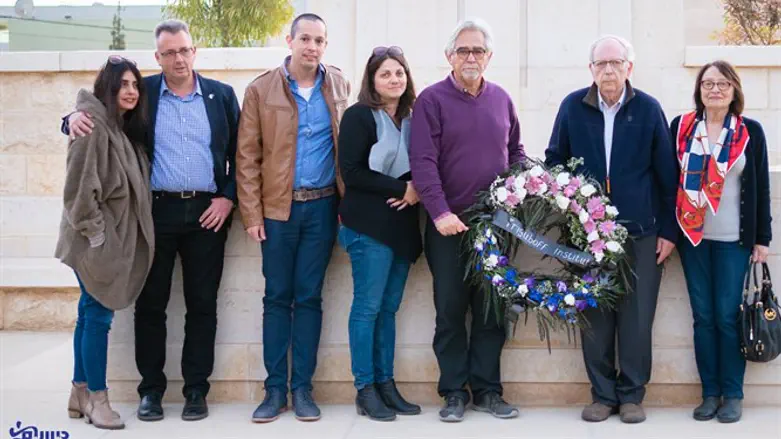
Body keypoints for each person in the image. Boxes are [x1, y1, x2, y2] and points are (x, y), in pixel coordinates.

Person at [60, 19, 240, 422]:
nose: (178, 58)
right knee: (151, 306)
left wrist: (228, 198)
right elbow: (100, 114)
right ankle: (151, 391)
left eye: (184, 50)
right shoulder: (143, 94)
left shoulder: (222, 96)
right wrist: (68, 118)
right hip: (153, 215)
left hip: (208, 216)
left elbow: (241, 155)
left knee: (202, 304)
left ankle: (196, 389)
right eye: (169, 52)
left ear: (195, 52)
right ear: (157, 58)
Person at [545, 35, 679, 424]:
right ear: (591, 69)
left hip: (640, 233)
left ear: (629, 68)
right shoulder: (573, 106)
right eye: (601, 63)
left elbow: (667, 175)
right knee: (595, 316)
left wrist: (668, 231)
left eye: (616, 63)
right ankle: (602, 395)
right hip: (586, 234)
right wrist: (567, 216)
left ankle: (632, 395)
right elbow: (555, 161)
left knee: (637, 318)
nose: (608, 70)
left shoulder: (648, 109)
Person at [236, 13, 350, 423]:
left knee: (310, 298)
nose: (312, 47)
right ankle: (273, 390)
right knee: (276, 298)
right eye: (305, 38)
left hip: (323, 208)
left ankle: (302, 388)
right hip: (277, 212)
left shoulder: (338, 84)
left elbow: (347, 147)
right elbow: (246, 157)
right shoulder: (261, 89)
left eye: (319, 40)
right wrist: (251, 213)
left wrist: (346, 206)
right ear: (290, 40)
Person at [409, 18, 524, 423]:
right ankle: (454, 392)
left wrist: (528, 193)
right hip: (448, 228)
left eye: (478, 51)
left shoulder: (502, 99)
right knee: (451, 312)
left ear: (489, 57)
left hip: (495, 228)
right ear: (449, 57)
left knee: (492, 312)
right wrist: (440, 212)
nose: (471, 57)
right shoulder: (431, 100)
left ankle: (488, 391)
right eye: (463, 50)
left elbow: (515, 154)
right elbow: (422, 162)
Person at [56, 55, 154, 430]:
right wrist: (99, 238)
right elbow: (78, 193)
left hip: (103, 240)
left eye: (134, 85)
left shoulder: (117, 126)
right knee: (98, 317)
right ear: (107, 89)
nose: (130, 91)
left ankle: (79, 392)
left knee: (87, 314)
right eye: (122, 85)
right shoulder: (92, 127)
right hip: (94, 241)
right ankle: (98, 399)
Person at [672, 60, 772, 424]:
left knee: (728, 318)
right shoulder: (682, 129)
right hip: (692, 240)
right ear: (699, 90)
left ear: (734, 91)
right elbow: (670, 181)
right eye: (708, 83)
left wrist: (763, 238)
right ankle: (709, 394)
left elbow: (760, 187)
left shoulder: (750, 132)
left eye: (723, 84)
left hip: (734, 241)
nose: (715, 90)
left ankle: (733, 394)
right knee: (703, 319)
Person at [337, 46, 422, 422]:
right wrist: (401, 189)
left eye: (399, 73)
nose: (394, 80)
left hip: (403, 226)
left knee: (388, 310)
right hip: (368, 225)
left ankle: (387, 386)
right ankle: (365, 389)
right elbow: (351, 172)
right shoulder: (359, 116)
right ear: (372, 80)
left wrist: (417, 187)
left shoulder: (413, 118)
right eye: (386, 74)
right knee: (367, 308)